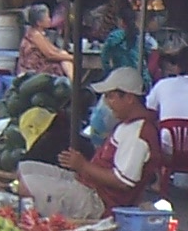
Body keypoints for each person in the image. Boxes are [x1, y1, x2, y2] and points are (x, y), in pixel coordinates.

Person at [57, 66, 156, 209]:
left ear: (129, 98)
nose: (107, 103)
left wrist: (83, 165)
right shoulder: (128, 125)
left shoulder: (138, 133)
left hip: (98, 200)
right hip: (87, 185)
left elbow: (123, 182)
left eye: (110, 96)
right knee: (27, 169)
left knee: (30, 185)